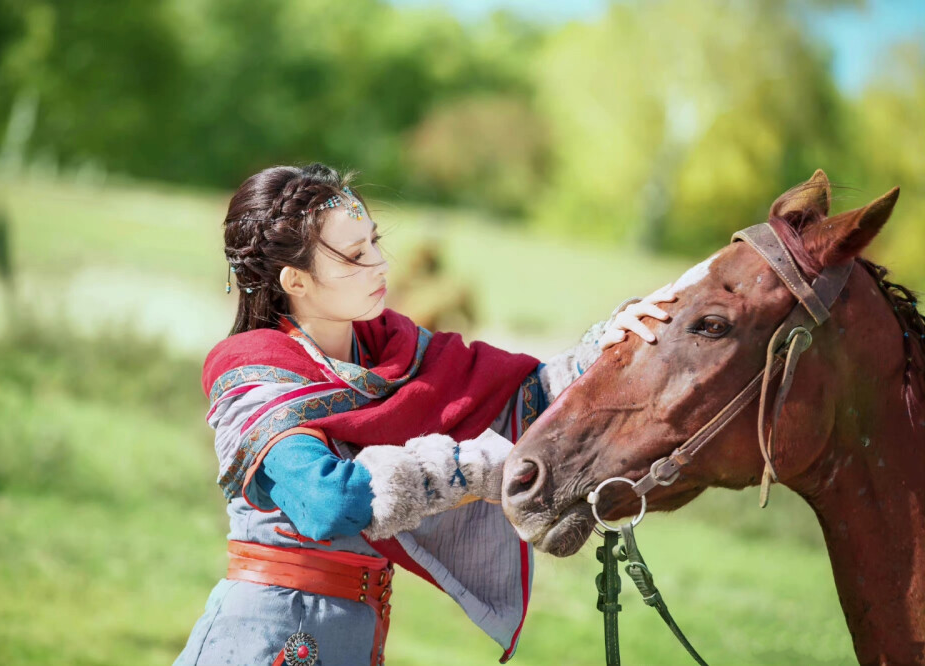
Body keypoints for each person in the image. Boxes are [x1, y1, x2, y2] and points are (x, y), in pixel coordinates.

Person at [174, 163, 675, 666]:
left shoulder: (397, 350)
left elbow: (525, 395)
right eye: (354, 255)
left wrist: (617, 345)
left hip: (357, 638)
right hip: (264, 640)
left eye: (374, 242)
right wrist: (468, 469)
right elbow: (328, 500)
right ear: (295, 281)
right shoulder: (254, 376)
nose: (379, 264)